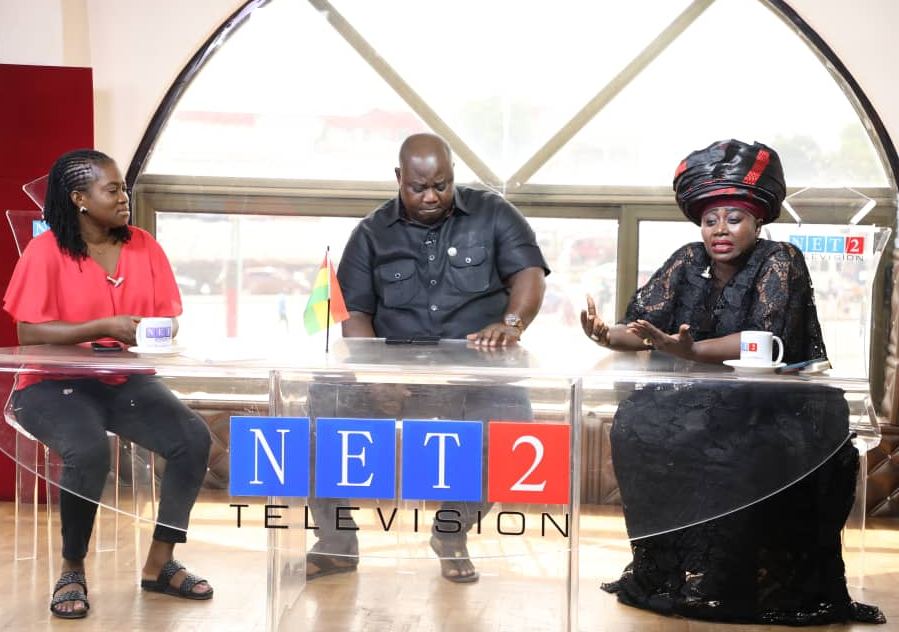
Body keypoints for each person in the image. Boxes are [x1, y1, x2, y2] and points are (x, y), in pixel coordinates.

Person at [581, 139, 885, 625]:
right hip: (701, 402)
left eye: (734, 218)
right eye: (710, 220)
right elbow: (644, 329)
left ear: (757, 221)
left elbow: (763, 337)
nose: (720, 229)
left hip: (773, 406)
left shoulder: (780, 259)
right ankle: (673, 576)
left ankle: (730, 583)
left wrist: (691, 350)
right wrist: (606, 335)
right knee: (634, 424)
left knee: (737, 452)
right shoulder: (686, 260)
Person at [305, 132, 549, 583]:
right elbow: (355, 314)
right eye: (419, 188)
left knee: (513, 441)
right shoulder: (371, 233)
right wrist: (375, 379)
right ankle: (337, 542)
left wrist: (512, 324)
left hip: (477, 374)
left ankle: (450, 533)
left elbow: (529, 275)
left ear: (453, 175)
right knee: (320, 413)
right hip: (397, 376)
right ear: (399, 178)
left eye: (442, 185)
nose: (432, 196)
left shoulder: (494, 213)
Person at [4, 150, 214, 619]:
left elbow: (169, 319)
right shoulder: (46, 250)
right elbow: (28, 332)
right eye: (112, 189)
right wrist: (104, 326)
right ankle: (72, 569)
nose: (124, 198)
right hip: (51, 385)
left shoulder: (144, 246)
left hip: (124, 379)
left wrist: (155, 330)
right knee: (89, 450)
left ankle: (160, 563)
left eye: (124, 189)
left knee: (192, 438)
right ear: (79, 198)